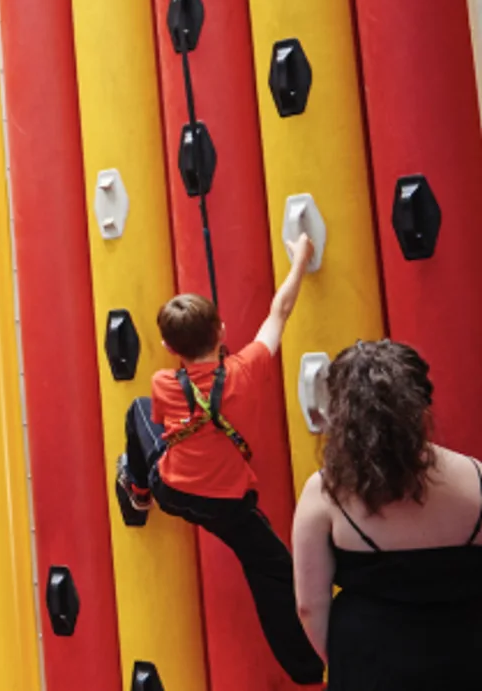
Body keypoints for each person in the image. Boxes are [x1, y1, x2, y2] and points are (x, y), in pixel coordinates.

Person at [119, 234, 324, 683]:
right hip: (228, 505)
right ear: (223, 332)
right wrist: (301, 260)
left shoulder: (162, 384)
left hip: (171, 490)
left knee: (136, 414)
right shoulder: (244, 371)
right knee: (272, 572)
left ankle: (136, 494)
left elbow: (160, 421)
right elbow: (279, 313)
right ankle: (308, 671)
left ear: (169, 348)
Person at [292, 341, 482, 688]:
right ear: (424, 402)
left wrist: (346, 662)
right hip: (467, 653)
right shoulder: (478, 477)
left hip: (369, 658)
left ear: (340, 410)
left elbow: (309, 606)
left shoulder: (324, 492)